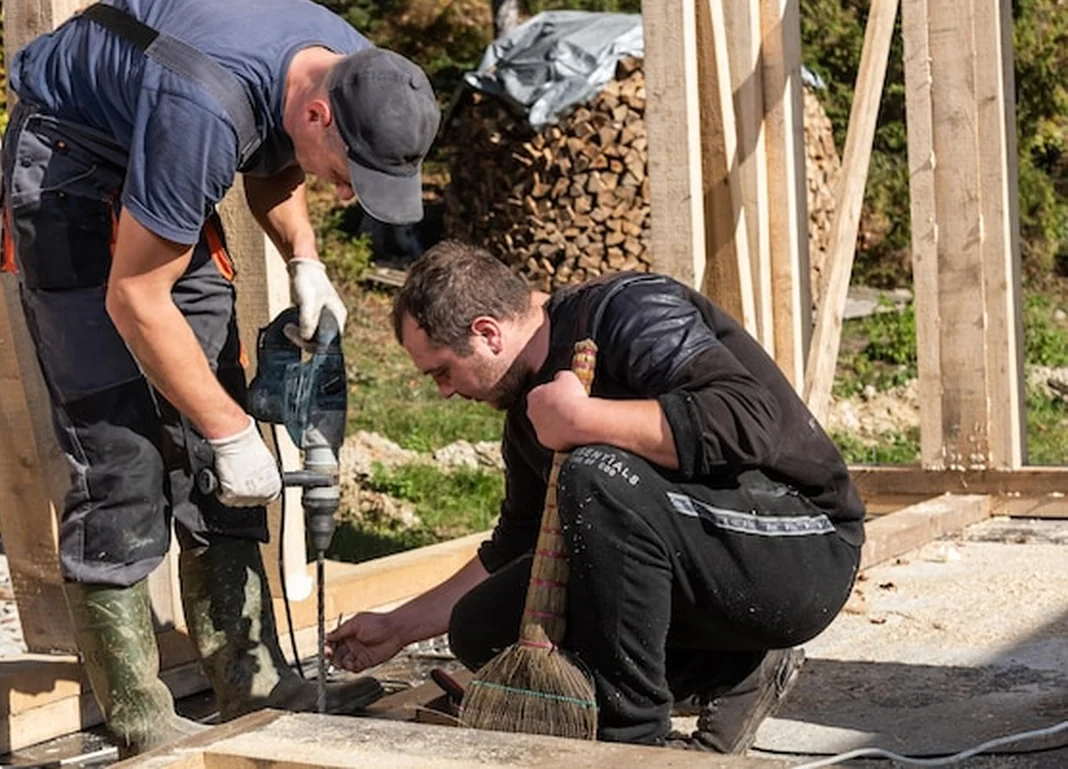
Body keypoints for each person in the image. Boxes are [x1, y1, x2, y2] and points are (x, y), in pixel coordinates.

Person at [0, 0, 440, 757]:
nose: (345, 193)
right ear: (321, 111)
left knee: (216, 408)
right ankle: (138, 708)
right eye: (350, 172)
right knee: (119, 443)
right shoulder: (203, 106)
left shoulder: (341, 62)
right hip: (70, 162)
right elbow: (136, 297)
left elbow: (272, 151)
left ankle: (251, 675)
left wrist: (304, 257)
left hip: (163, 140)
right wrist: (232, 432)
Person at [326, 241, 864, 752]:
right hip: (715, 567)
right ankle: (737, 669)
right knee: (482, 627)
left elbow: (747, 419)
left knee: (594, 476)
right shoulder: (525, 416)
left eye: (442, 370)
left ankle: (632, 741)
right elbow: (516, 549)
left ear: (488, 333)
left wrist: (585, 420)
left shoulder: (628, 311)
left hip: (802, 549)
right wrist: (396, 627)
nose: (444, 391)